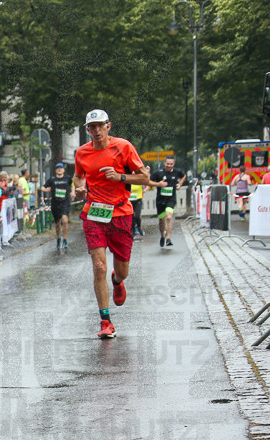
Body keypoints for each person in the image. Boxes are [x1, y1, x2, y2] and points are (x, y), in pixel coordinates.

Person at [72, 109, 149, 339]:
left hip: (121, 213)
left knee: (122, 270)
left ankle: (117, 281)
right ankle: (106, 321)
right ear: (87, 130)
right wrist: (78, 186)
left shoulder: (123, 147)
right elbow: (78, 175)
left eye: (100, 126)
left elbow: (144, 177)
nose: (96, 130)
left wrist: (120, 177)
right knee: (99, 267)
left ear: (109, 126)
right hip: (94, 213)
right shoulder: (82, 152)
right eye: (91, 127)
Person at [149, 155, 186, 247]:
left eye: (171, 164)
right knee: (161, 220)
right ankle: (162, 235)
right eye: (167, 163)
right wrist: (158, 184)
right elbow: (148, 181)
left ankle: (169, 238)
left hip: (171, 199)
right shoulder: (158, 173)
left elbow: (183, 176)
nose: (169, 165)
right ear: (164, 163)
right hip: (160, 200)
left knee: (169, 216)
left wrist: (180, 184)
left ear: (174, 164)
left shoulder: (177, 172)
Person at [41, 162, 73, 250]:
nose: (59, 169)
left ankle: (65, 239)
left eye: (61, 168)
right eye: (58, 168)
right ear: (55, 170)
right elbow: (42, 187)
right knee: (58, 223)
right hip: (55, 203)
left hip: (65, 202)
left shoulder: (67, 178)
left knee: (65, 220)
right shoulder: (52, 179)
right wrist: (46, 190)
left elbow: (72, 185)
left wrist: (73, 192)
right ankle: (58, 238)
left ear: (63, 169)